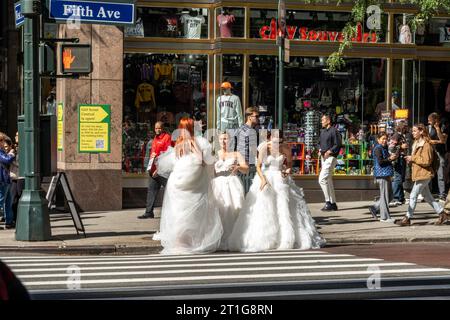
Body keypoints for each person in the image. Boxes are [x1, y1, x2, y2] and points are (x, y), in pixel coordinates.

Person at [228, 130, 326, 252]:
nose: (276, 142)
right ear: (269, 138)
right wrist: (263, 179)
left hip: (281, 179)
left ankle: (285, 238)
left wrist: (288, 170)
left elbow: (289, 164)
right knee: (265, 207)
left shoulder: (286, 148)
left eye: (278, 140)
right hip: (266, 178)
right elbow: (258, 166)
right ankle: (265, 238)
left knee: (284, 208)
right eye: (274, 139)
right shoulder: (264, 148)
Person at [156, 118, 223, 254]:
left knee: (179, 212)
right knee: (194, 212)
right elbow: (202, 161)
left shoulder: (178, 144)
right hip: (193, 183)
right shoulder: (197, 142)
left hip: (178, 182)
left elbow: (175, 162)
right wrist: (195, 146)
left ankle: (180, 242)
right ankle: (189, 242)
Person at [396, 124, 445, 226]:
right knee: (427, 197)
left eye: (415, 131)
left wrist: (412, 158)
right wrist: (411, 159)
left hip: (424, 174)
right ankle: (442, 213)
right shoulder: (416, 143)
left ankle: (407, 218)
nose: (413, 133)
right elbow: (419, 159)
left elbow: (426, 161)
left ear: (421, 131)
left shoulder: (426, 144)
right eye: (412, 131)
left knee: (413, 195)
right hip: (420, 173)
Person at [211, 132, 248, 251]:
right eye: (221, 139)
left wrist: (238, 167)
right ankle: (219, 239)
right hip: (217, 184)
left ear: (230, 140)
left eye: (226, 139)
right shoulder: (214, 154)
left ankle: (234, 238)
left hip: (232, 183)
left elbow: (246, 169)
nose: (223, 141)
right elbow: (210, 172)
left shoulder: (236, 154)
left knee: (234, 209)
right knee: (220, 210)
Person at [139, 122, 172, 219]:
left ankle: (173, 212)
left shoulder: (167, 138)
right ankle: (149, 212)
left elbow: (167, 155)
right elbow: (151, 154)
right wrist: (148, 167)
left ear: (163, 128)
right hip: (153, 170)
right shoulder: (154, 139)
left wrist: (158, 169)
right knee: (151, 191)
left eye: (159, 128)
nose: (158, 130)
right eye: (156, 128)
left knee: (170, 191)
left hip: (162, 171)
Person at [369, 132, 397, 223]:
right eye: (383, 139)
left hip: (386, 174)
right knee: (384, 196)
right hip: (382, 174)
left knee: (390, 195)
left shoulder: (383, 148)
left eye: (386, 138)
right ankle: (384, 217)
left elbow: (387, 159)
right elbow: (380, 162)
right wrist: (390, 159)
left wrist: (392, 157)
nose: (384, 140)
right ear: (378, 139)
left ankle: (375, 207)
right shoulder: (378, 148)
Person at [318, 114, 342, 211]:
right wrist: (319, 149)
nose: (321, 121)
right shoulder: (322, 131)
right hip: (323, 158)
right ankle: (333, 203)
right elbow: (319, 143)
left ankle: (328, 202)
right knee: (328, 180)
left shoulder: (334, 131)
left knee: (322, 179)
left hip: (331, 157)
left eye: (323, 120)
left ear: (328, 121)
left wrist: (330, 151)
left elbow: (338, 144)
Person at [235, 107, 259, 194]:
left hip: (240, 166)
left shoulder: (240, 129)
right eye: (256, 116)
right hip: (248, 167)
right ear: (249, 117)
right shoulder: (250, 131)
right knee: (250, 194)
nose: (258, 118)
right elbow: (251, 150)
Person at [427, 112, 447, 200]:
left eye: (430, 120)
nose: (428, 122)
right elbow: (427, 140)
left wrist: (438, 129)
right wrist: (437, 141)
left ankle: (442, 193)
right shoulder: (428, 128)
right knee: (429, 172)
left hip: (439, 152)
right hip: (430, 151)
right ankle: (428, 193)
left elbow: (443, 140)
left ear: (435, 120)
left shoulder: (443, 127)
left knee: (440, 173)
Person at [389, 121, 409, 206]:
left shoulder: (401, 135)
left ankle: (401, 198)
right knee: (398, 177)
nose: (407, 128)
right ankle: (395, 197)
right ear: (402, 127)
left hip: (402, 158)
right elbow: (390, 147)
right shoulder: (396, 135)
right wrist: (401, 147)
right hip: (398, 159)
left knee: (400, 178)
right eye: (405, 126)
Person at [0, 133, 15, 229]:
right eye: (1, 141)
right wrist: (11, 154)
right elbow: (7, 160)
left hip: (6, 179)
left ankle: (9, 221)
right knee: (1, 200)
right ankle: (8, 220)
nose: (2, 142)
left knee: (8, 201)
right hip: (2, 179)